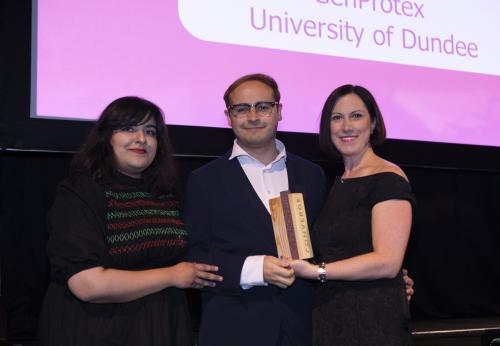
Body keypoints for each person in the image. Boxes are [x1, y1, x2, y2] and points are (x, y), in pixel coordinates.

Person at [38, 96, 222, 346]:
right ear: (107, 138)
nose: (141, 139)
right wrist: (172, 276)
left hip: (162, 327)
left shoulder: (165, 194)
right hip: (98, 330)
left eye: (150, 131)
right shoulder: (81, 191)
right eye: (128, 128)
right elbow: (87, 285)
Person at [184, 74, 327, 346]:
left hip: (304, 328)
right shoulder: (204, 180)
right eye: (241, 108)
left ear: (279, 111)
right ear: (228, 116)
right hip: (233, 329)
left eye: (263, 106)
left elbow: (329, 247)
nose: (253, 116)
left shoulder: (312, 174)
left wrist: (380, 281)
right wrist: (254, 269)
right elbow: (195, 256)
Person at [290, 85, 415, 345]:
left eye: (356, 116)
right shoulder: (337, 183)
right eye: (337, 118)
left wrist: (317, 272)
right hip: (331, 317)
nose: (347, 126)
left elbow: (388, 262)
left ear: (373, 123)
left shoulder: (388, 178)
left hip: (373, 322)